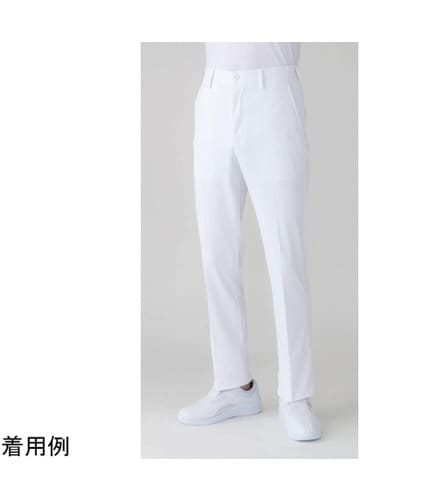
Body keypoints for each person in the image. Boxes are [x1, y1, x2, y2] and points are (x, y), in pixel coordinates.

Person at [177, 42, 321, 441]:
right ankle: (233, 385)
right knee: (216, 251)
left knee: (284, 253)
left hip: (272, 94)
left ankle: (295, 395)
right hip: (214, 93)